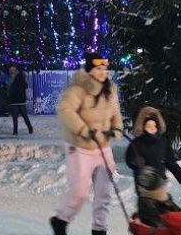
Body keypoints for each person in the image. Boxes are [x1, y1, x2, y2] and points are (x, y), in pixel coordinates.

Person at [50, 53, 123, 235]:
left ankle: (99, 229)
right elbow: (65, 110)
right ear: (90, 70)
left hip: (103, 147)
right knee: (80, 192)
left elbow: (116, 113)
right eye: (98, 69)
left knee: (104, 192)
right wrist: (84, 130)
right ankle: (60, 220)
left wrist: (117, 129)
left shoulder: (110, 89)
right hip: (80, 147)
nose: (102, 72)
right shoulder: (78, 89)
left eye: (104, 69)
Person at [125, 107, 181, 229]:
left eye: (154, 126)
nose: (151, 129)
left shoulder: (162, 143)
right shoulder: (136, 144)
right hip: (144, 191)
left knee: (172, 217)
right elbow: (129, 160)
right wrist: (135, 162)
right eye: (148, 126)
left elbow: (171, 164)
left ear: (158, 126)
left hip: (160, 189)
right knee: (151, 221)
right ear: (143, 127)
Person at [8, 66, 34, 135]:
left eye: (12, 71)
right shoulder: (22, 78)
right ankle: (30, 128)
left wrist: (9, 99)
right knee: (25, 116)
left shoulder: (13, 79)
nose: (11, 72)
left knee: (15, 118)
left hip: (14, 102)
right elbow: (25, 86)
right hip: (21, 101)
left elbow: (10, 90)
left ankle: (15, 131)